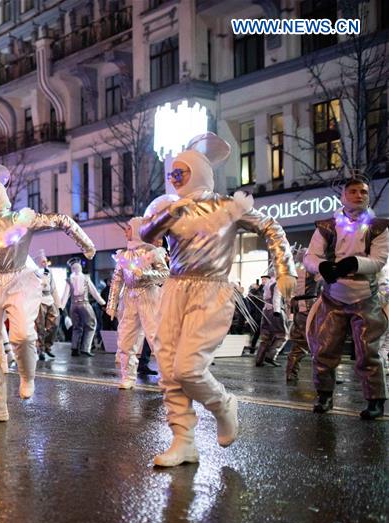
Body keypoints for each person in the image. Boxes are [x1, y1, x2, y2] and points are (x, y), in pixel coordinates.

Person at [140, 133, 295, 467]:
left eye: (181, 172)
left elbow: (271, 227)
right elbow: (146, 235)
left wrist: (286, 269)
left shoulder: (227, 206)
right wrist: (171, 211)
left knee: (188, 368)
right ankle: (183, 442)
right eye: (172, 173)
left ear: (197, 171)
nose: (175, 179)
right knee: (168, 369)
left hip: (212, 291)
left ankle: (224, 405)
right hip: (175, 290)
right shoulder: (172, 208)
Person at [0, 160, 96, 424]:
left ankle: (27, 375)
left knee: (22, 334)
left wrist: (87, 245)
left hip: (19, 280)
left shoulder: (22, 219)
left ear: (0, 193)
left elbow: (62, 220)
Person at [304, 177, 388, 419]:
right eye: (353, 191)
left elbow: (379, 260)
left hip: (365, 296)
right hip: (333, 296)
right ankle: (324, 395)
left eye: (363, 191)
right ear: (343, 195)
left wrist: (354, 263)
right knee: (324, 349)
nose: (358, 195)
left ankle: (375, 400)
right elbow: (310, 256)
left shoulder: (378, 226)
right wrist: (322, 266)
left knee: (368, 351)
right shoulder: (328, 226)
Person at [106, 217, 169, 389]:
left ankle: (167, 378)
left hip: (149, 297)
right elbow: (117, 280)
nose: (125, 231)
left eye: (128, 228)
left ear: (136, 229)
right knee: (126, 339)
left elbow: (165, 274)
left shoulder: (152, 251)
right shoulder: (123, 255)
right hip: (129, 299)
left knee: (156, 338)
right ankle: (128, 377)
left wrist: (146, 275)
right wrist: (111, 305)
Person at [60, 257, 105, 357]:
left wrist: (61, 306)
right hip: (84, 304)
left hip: (73, 305)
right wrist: (102, 302)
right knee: (91, 325)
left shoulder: (69, 280)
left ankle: (74, 348)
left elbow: (65, 295)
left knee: (76, 327)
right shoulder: (85, 278)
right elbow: (94, 292)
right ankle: (86, 348)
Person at [285, 246, 318, 382]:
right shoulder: (310, 269)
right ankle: (323, 374)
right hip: (308, 307)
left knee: (299, 343)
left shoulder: (294, 270)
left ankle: (291, 373)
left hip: (299, 307)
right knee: (316, 342)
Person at [254, 268, 290, 367]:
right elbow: (277, 297)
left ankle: (259, 360)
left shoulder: (267, 284)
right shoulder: (278, 283)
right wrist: (277, 311)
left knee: (265, 337)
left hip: (265, 311)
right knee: (283, 335)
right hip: (275, 311)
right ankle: (271, 356)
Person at [34, 251, 61, 361]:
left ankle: (47, 346)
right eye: (43, 261)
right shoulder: (34, 273)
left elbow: (53, 288)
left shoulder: (49, 272)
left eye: (46, 261)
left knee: (54, 325)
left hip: (49, 299)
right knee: (40, 327)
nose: (45, 263)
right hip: (39, 300)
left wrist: (58, 304)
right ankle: (40, 349)